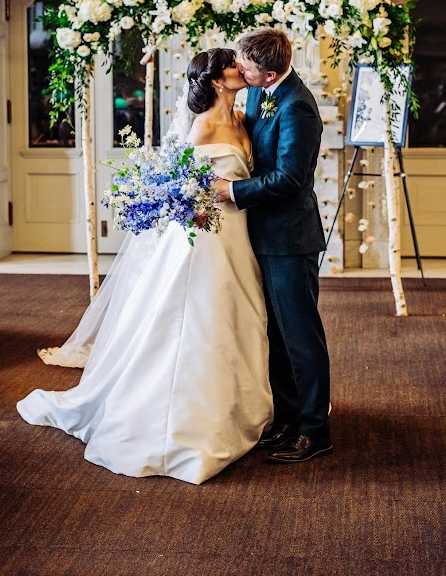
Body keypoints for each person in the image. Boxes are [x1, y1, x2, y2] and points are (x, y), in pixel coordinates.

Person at [17, 48, 273, 486]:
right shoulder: (202, 126)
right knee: (197, 325)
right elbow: (182, 186)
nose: (242, 71)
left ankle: (235, 408)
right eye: (234, 67)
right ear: (216, 81)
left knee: (237, 320)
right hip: (203, 240)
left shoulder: (244, 120)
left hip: (238, 239)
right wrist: (194, 206)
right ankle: (181, 425)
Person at [215, 30, 332, 463]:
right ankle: (286, 419)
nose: (238, 70)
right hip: (261, 236)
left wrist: (233, 191)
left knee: (301, 338)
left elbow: (289, 179)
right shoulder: (261, 94)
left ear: (268, 72)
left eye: (243, 66)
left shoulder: (297, 106)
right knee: (276, 336)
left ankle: (315, 430)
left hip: (289, 240)